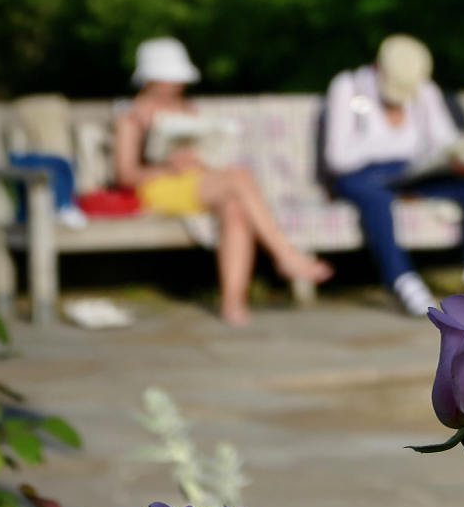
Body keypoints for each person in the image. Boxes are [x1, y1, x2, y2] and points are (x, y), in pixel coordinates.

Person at [114, 37, 333, 325]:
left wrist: (198, 158)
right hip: (156, 188)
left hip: (199, 183)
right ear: (150, 78)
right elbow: (125, 175)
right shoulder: (131, 118)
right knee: (239, 176)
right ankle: (285, 254)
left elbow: (212, 157)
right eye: (168, 77)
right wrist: (168, 167)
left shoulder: (190, 110)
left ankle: (233, 303)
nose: (175, 85)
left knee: (234, 208)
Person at [324, 34, 464, 316]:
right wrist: (386, 147)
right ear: (378, 68)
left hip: (414, 173)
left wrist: (456, 158)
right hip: (362, 175)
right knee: (375, 196)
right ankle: (403, 281)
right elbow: (337, 158)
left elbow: (444, 140)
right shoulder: (348, 87)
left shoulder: (424, 90)